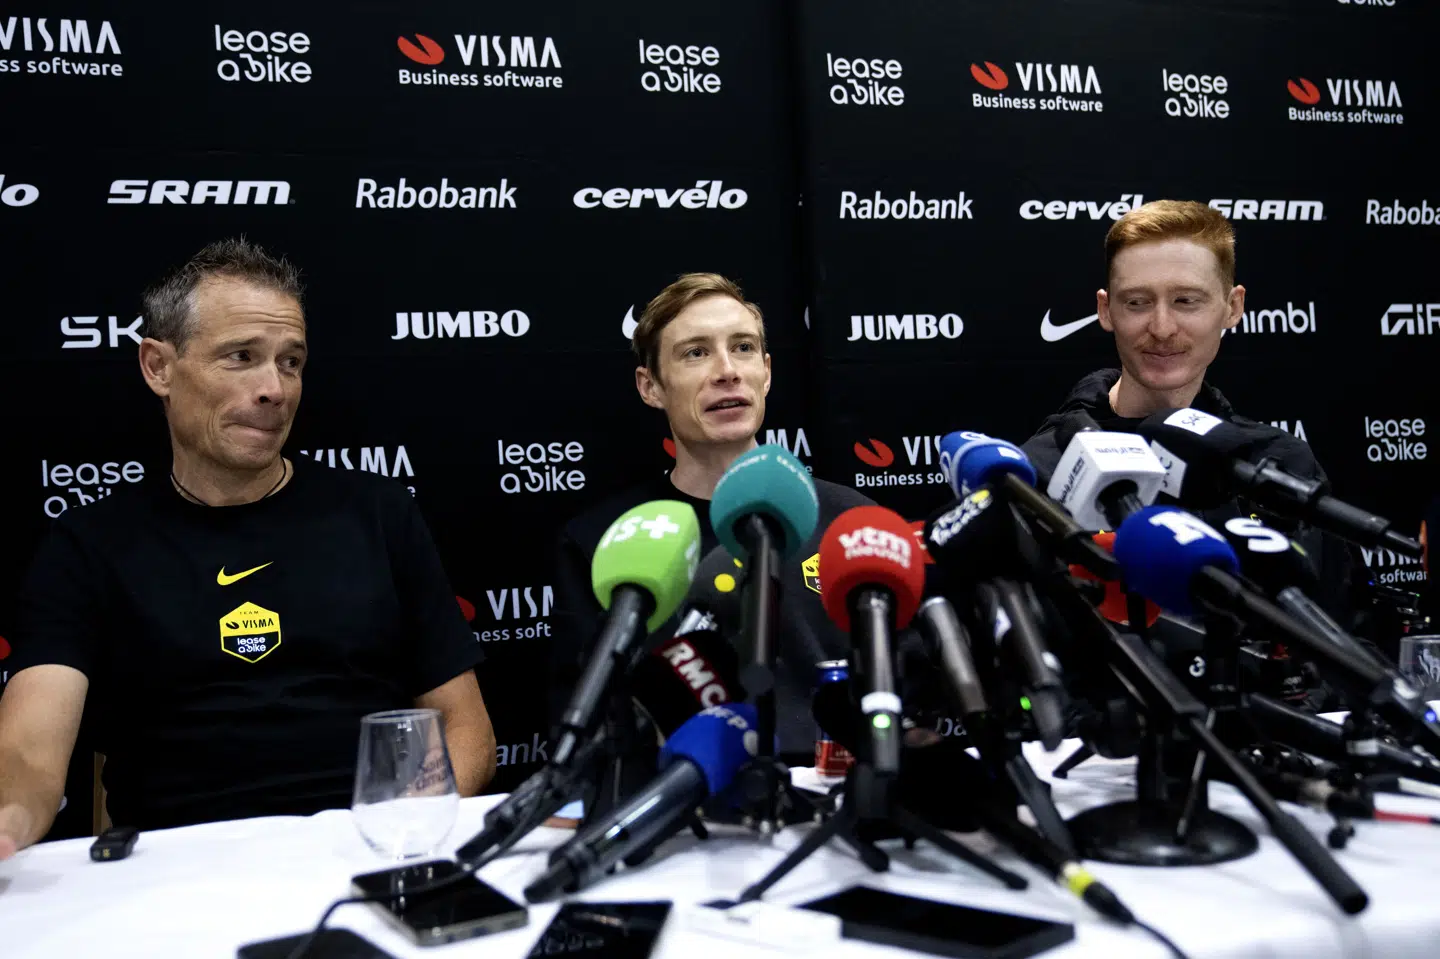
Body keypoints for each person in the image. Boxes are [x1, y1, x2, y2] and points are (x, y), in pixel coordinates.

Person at [0, 239, 495, 858]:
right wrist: (8, 823)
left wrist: (399, 836)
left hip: (366, 849)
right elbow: (27, 748)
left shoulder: (377, 512)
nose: (275, 389)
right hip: (175, 870)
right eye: (242, 357)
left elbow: (464, 727)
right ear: (158, 366)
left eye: (291, 362)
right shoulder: (87, 545)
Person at [1021, 199, 1360, 686]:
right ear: (1106, 310)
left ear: (1232, 307)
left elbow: (1339, 637)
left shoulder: (1278, 460)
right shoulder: (1042, 466)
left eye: (1186, 301)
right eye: (1137, 302)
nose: (1161, 328)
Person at [551, 273, 873, 764]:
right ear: (650, 386)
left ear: (766, 372)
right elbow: (583, 731)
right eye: (695, 353)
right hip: (682, 811)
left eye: (742, 348)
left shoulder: (852, 520)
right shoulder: (602, 540)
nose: (727, 371)